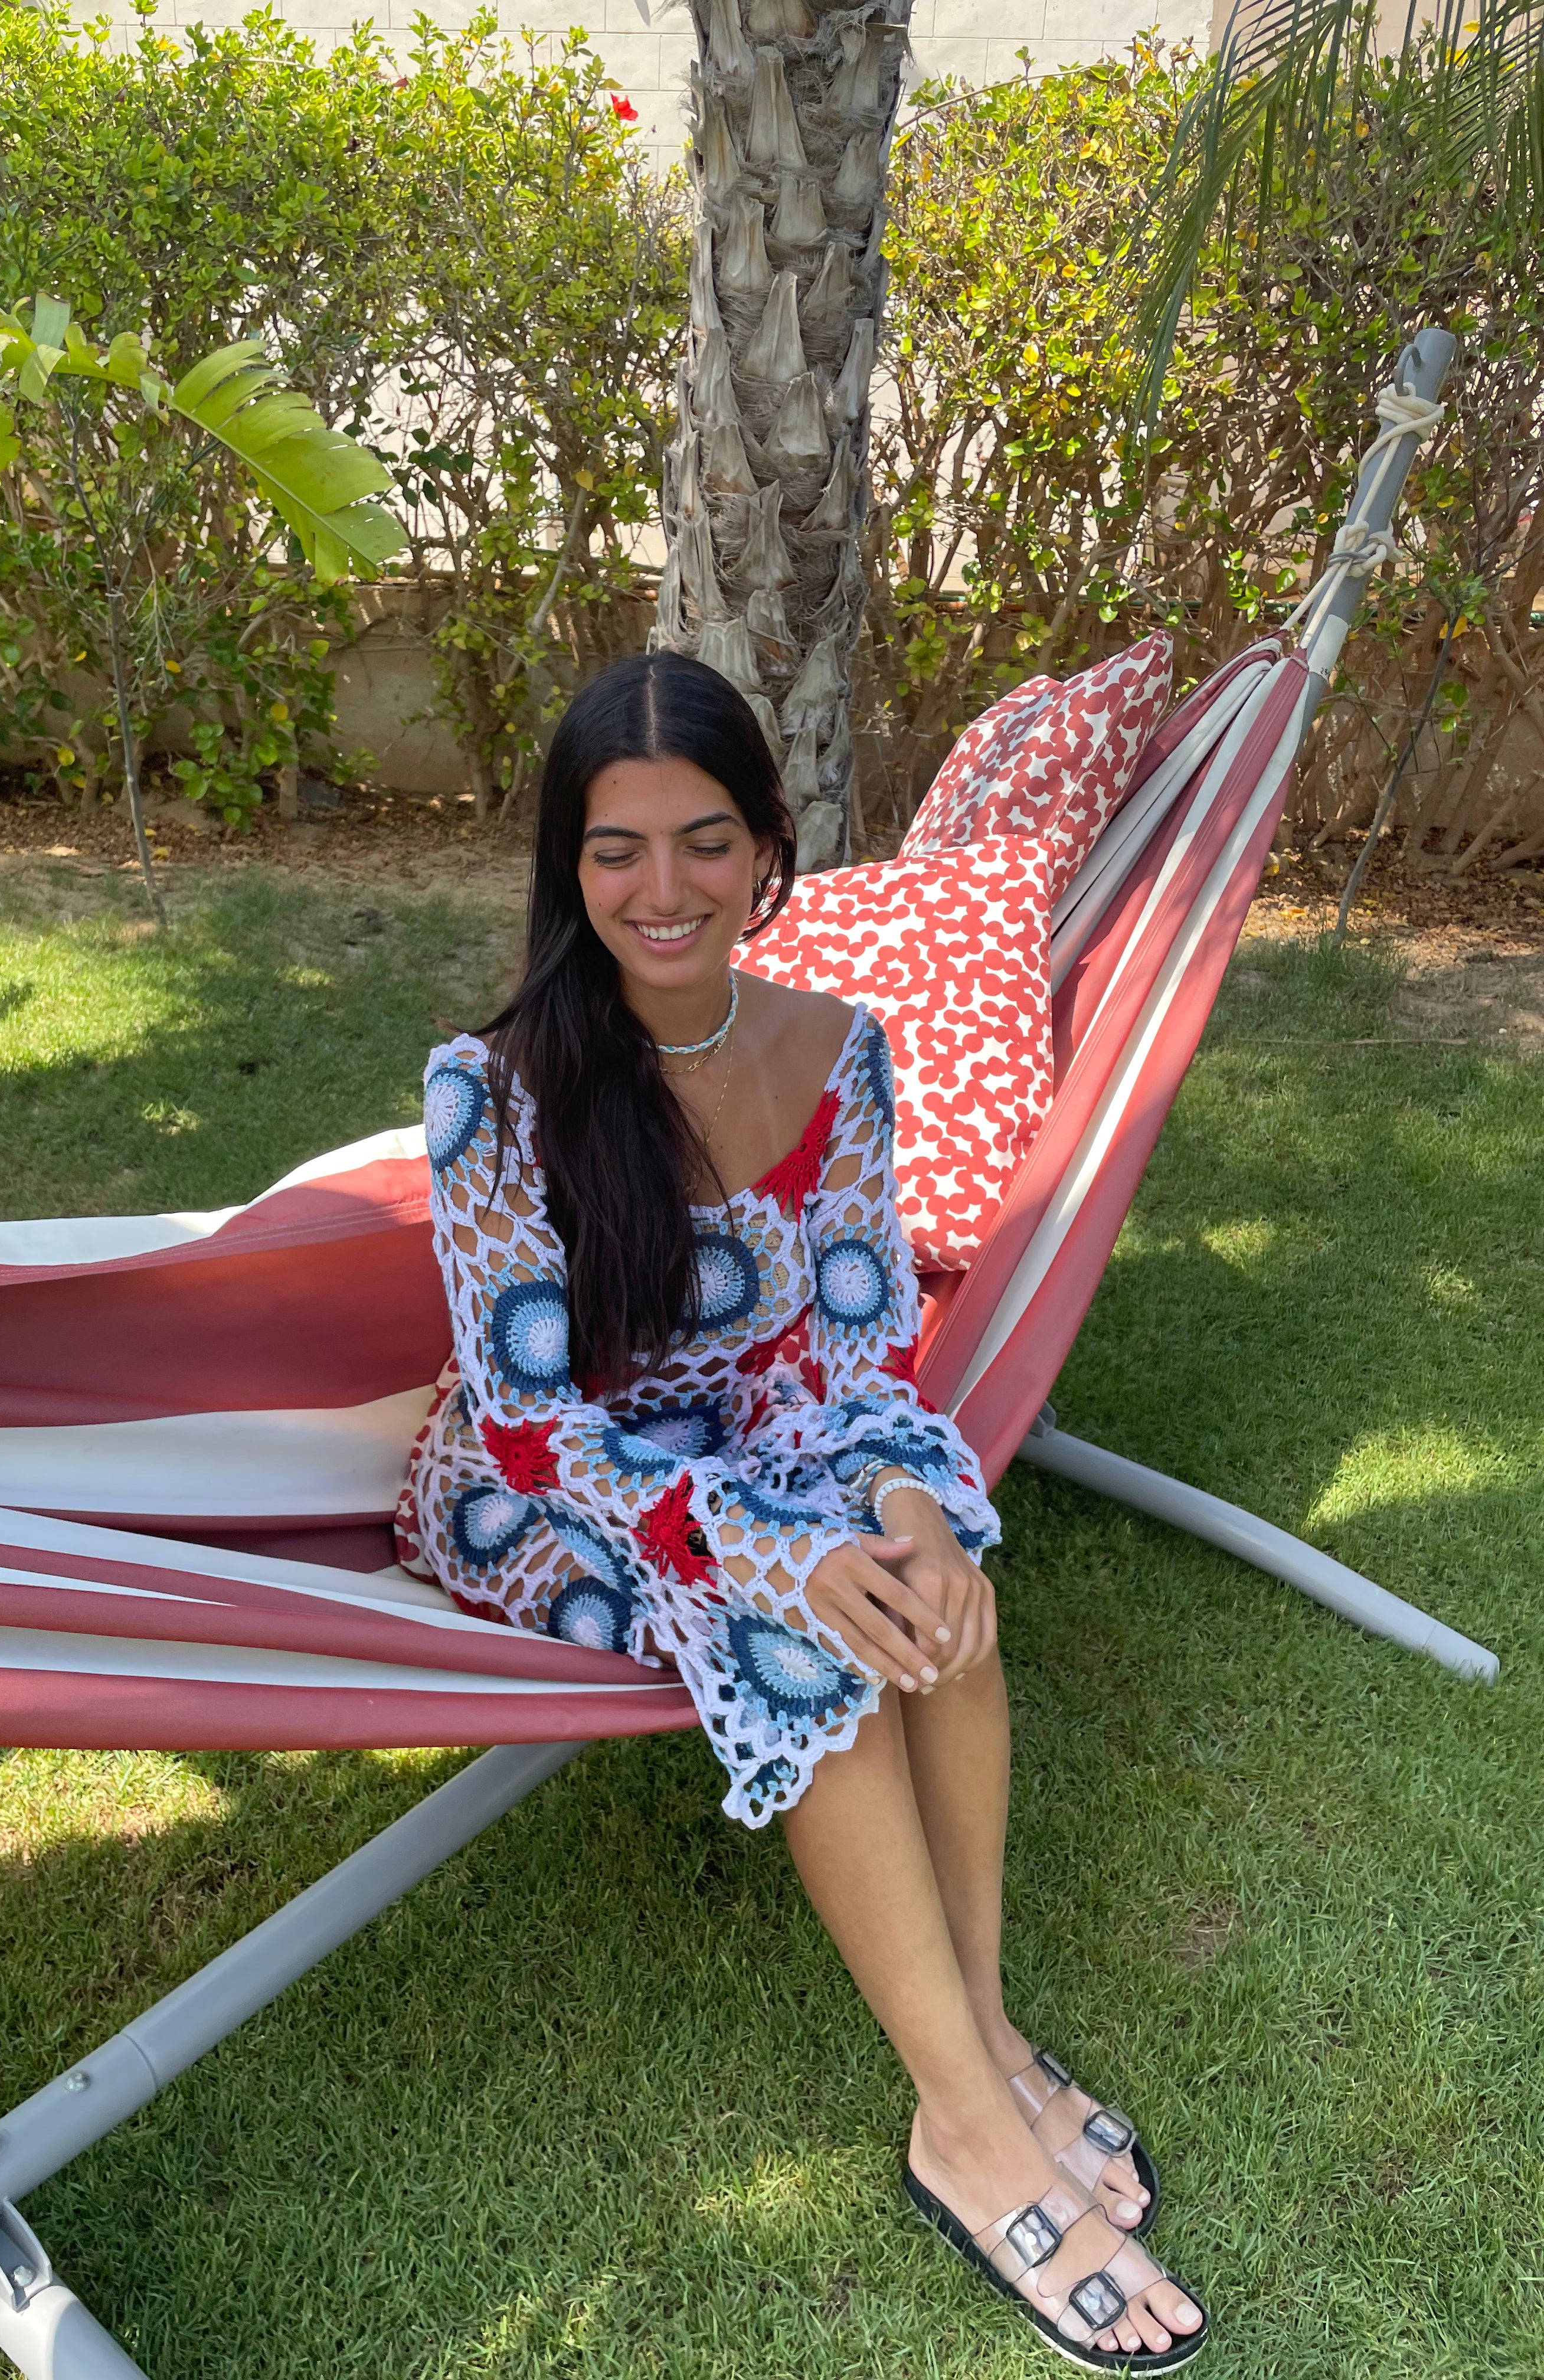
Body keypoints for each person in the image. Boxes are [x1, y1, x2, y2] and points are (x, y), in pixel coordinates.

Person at [398, 651, 1209, 2372]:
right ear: (568, 865)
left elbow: (853, 1350)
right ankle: (966, 2130)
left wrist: (909, 1495)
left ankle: (980, 2026)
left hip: (768, 1438)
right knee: (811, 1632)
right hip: (558, 1498)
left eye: (705, 840)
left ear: (769, 846)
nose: (662, 890)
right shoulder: (495, 1091)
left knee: (941, 1574)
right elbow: (537, 1432)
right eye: (615, 850)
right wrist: (791, 1548)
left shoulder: (842, 1052)